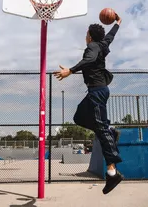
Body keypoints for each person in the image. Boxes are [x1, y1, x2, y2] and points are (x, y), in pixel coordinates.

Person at [53, 12, 123, 195]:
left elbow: (90, 59)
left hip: (97, 92)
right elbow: (111, 36)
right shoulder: (102, 44)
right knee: (79, 117)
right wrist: (117, 22)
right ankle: (107, 131)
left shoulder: (92, 46)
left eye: (86, 34)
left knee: (101, 129)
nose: (86, 37)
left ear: (90, 36)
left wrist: (71, 70)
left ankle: (112, 173)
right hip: (96, 92)